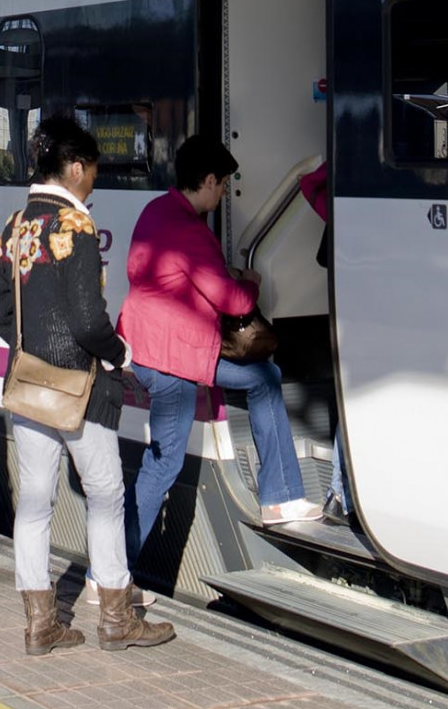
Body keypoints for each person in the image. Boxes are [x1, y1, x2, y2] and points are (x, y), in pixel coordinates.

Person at [0, 115, 175, 656]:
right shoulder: (77, 225)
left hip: (30, 387)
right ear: (73, 168)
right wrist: (120, 356)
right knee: (106, 494)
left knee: (35, 501)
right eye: (92, 169)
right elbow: (90, 321)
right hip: (81, 390)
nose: (94, 180)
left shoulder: (15, 225)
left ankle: (40, 624)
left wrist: (33, 352)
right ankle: (116, 619)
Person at [119, 134, 321, 578]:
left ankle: (281, 496)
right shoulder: (189, 231)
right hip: (174, 357)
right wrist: (250, 281)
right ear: (208, 180)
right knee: (163, 464)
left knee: (264, 378)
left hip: (155, 346)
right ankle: (112, 574)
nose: (225, 192)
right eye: (224, 183)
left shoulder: (157, 211)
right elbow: (233, 301)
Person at [299, 158, 352, 525]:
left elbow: (308, 184)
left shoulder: (343, 201)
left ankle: (340, 494)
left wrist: (334, 162)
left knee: (351, 392)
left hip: (349, 297)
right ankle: (342, 491)